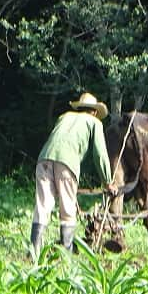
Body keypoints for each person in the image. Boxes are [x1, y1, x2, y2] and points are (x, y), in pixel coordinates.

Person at [30, 92, 116, 256]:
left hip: (44, 159)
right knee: (67, 208)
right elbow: (100, 154)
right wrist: (108, 182)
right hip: (67, 162)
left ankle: (34, 251)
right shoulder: (94, 123)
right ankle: (66, 251)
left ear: (80, 108)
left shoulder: (64, 117)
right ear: (95, 112)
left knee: (43, 205)